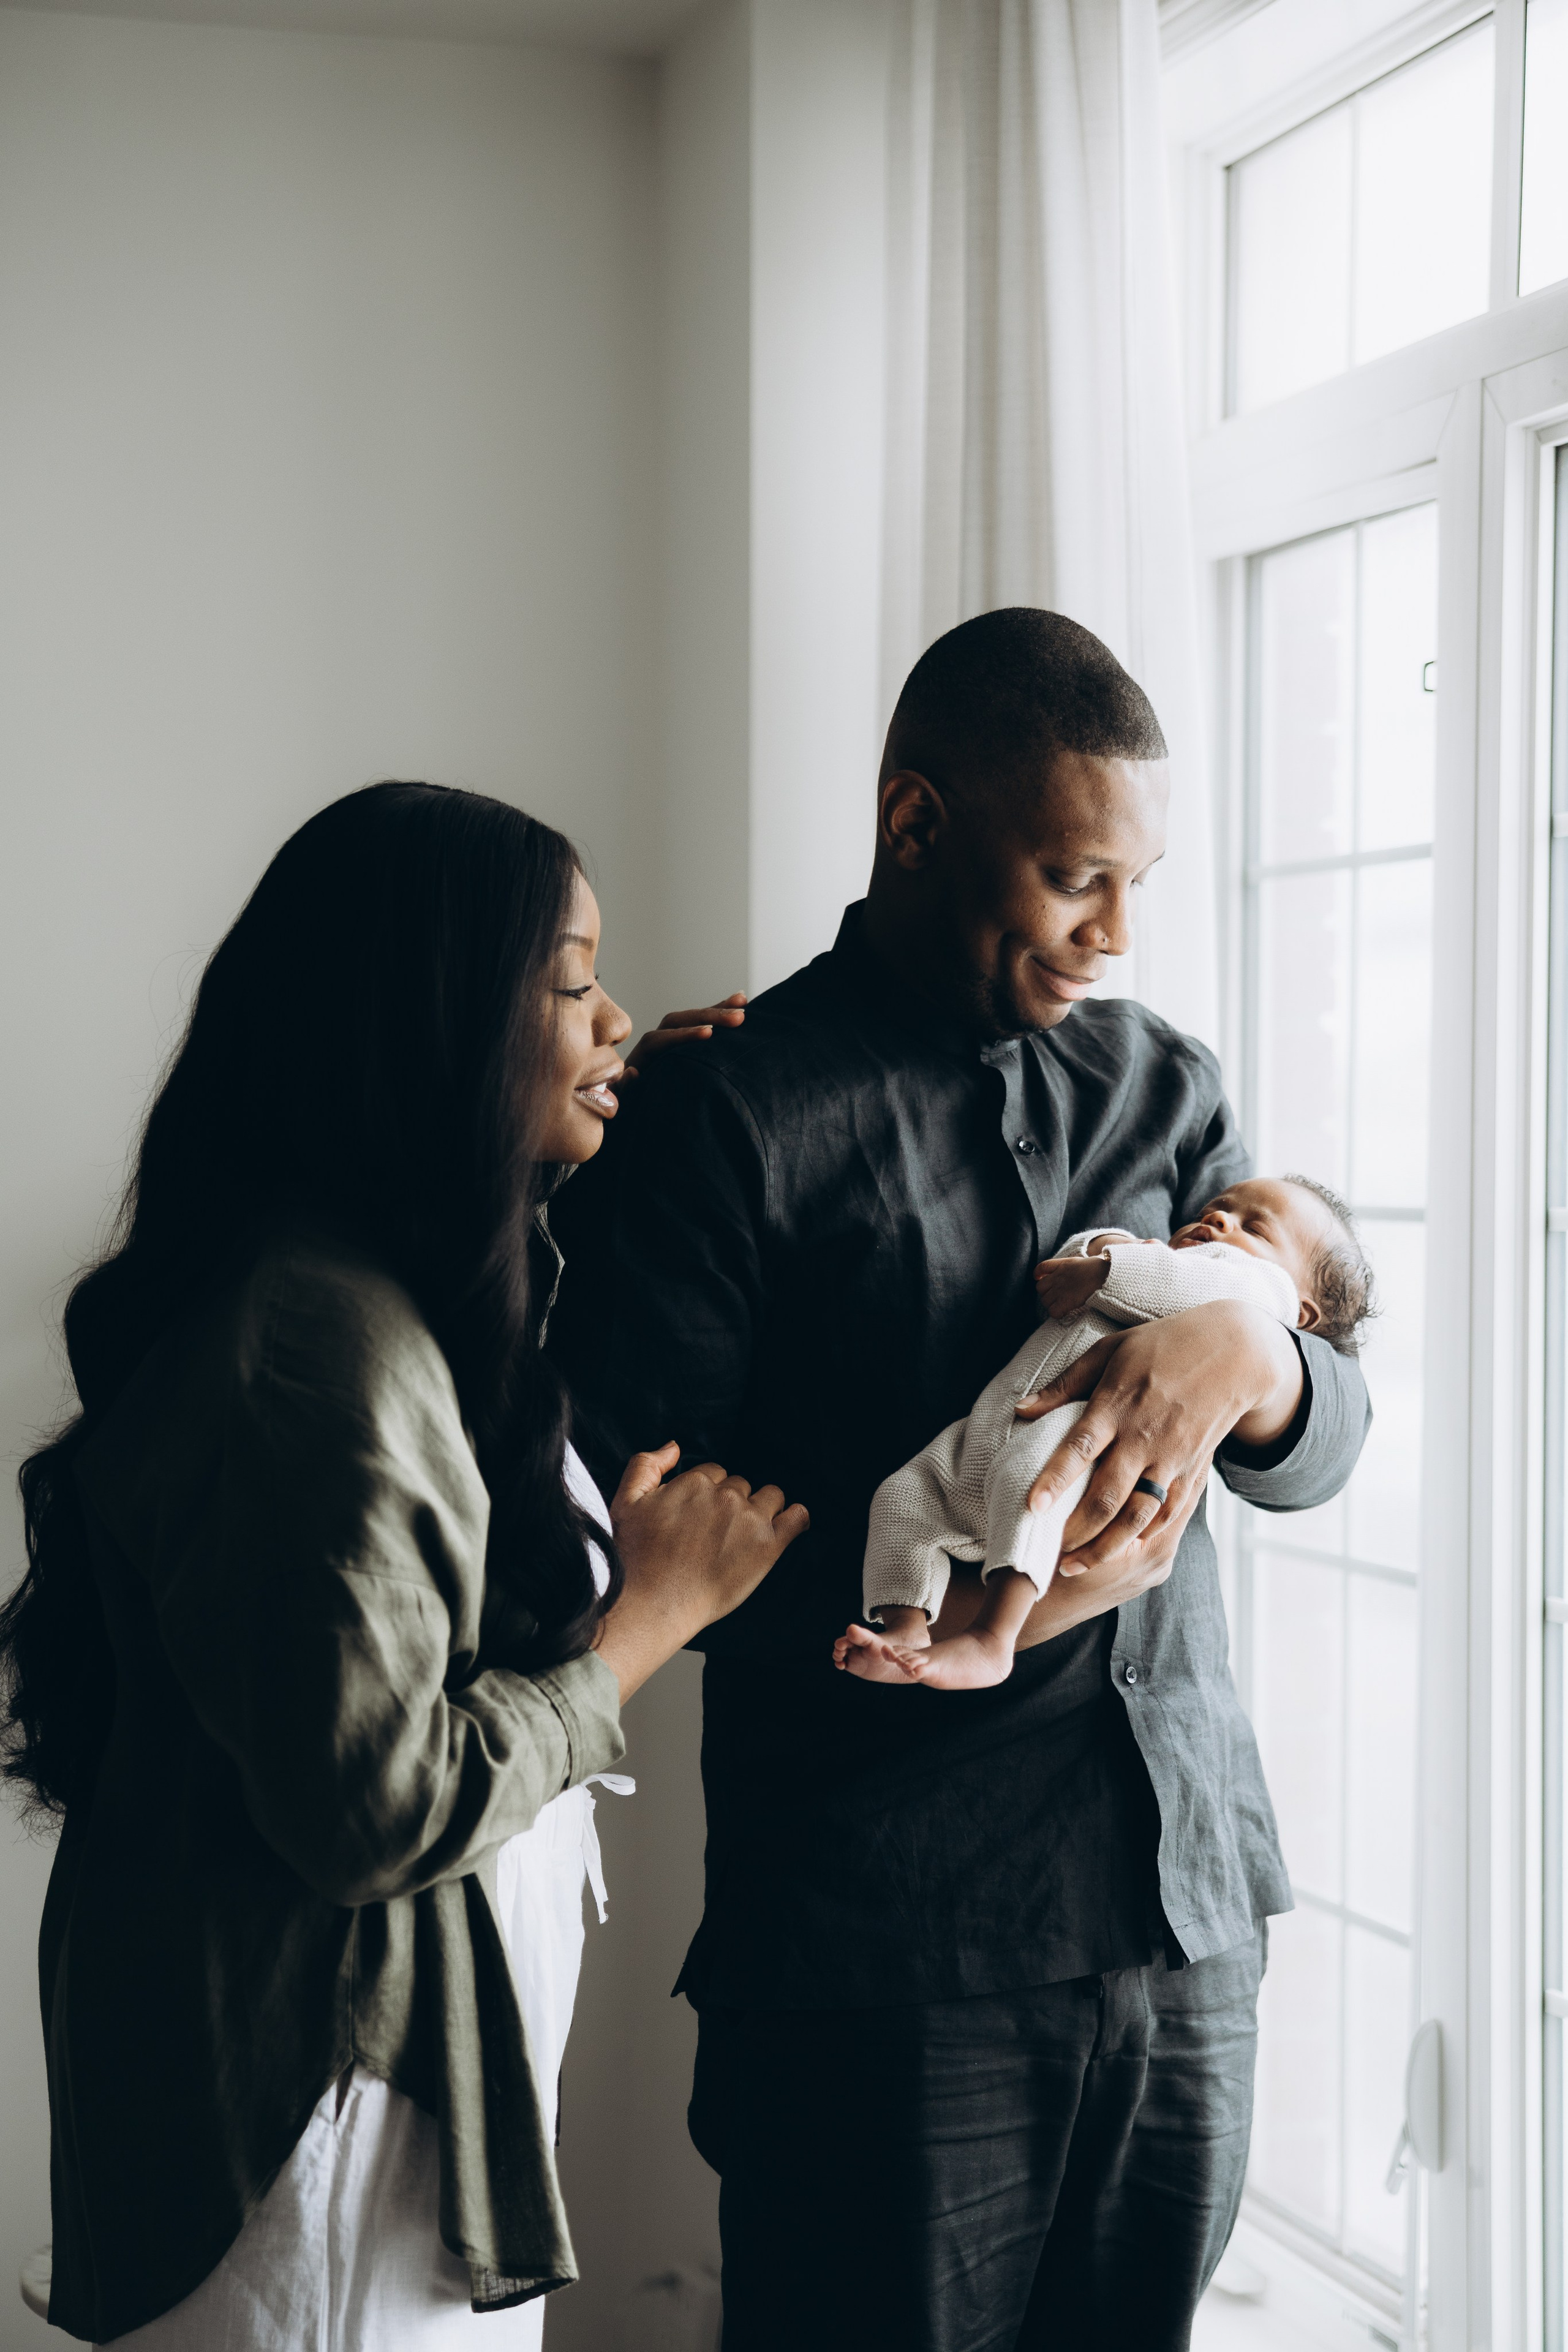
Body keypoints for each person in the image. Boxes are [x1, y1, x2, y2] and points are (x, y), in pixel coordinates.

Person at [548, 609, 1374, 2352]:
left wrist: (1264, 1359)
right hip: (887, 1956)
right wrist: (1010, 1592)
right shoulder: (724, 1117)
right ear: (918, 823)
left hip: (1187, 1911)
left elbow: (1325, 1447)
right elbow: (641, 1546)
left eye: (1139, 882)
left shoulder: (1172, 1089)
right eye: (1078, 878)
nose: (1119, 934)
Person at [0, 783, 807, 2350]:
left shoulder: (365, 1294)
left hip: (372, 2085)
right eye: (573, 982)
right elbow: (379, 1797)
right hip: (326, 2120)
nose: (617, 1016)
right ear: (432, 1024)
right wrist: (649, 1618)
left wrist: (607, 1095)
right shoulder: (316, 1348)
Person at [840, 1174, 1374, 1690]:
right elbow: (1076, 1266)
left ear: (1301, 1316)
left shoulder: (1254, 1287)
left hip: (1071, 1429)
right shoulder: (1161, 1258)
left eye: (1253, 1228)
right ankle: (908, 1625)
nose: (1217, 1217)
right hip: (988, 1428)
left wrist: (1110, 1272)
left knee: (1035, 1486)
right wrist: (1105, 1248)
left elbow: (1200, 1287)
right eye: (1218, 1207)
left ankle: (991, 1637)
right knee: (902, 1498)